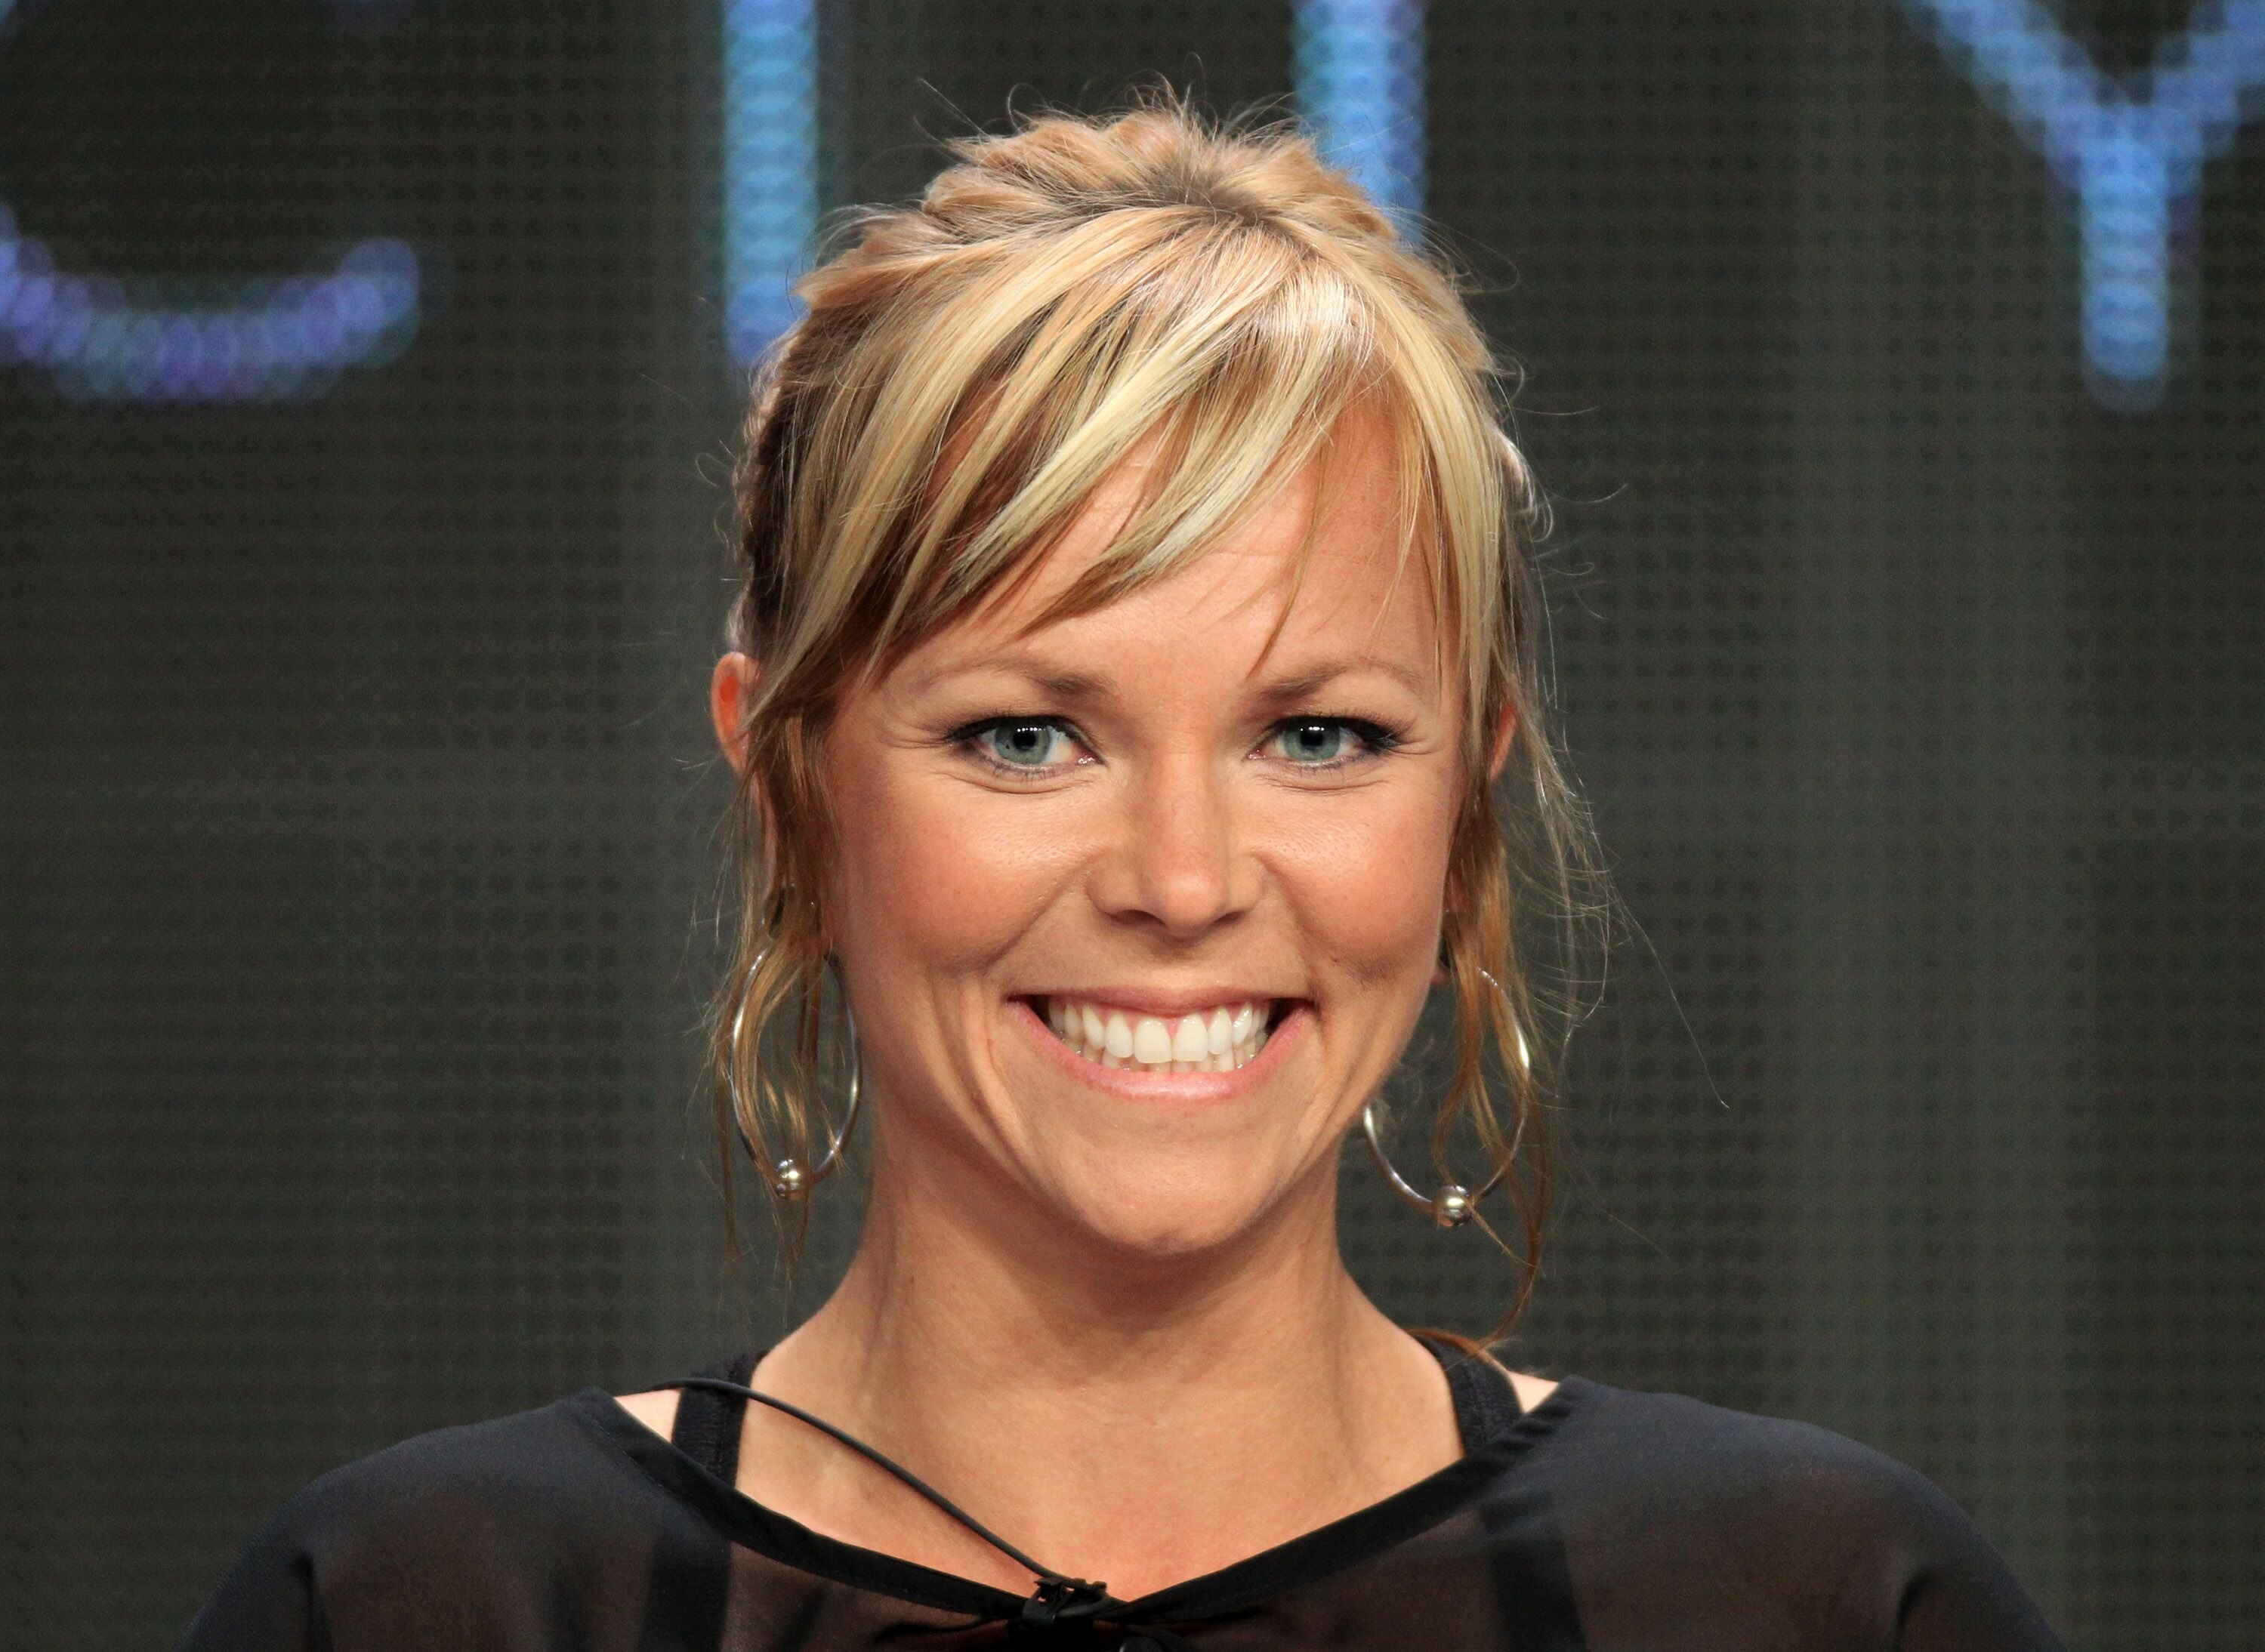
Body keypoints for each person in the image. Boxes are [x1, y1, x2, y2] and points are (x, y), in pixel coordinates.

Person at [177, 95, 2068, 1651]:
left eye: (1316, 735)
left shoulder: (1813, 1601)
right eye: (1028, 734)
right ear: (789, 786)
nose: (1182, 877)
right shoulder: (422, 1603)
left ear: (1466, 806)